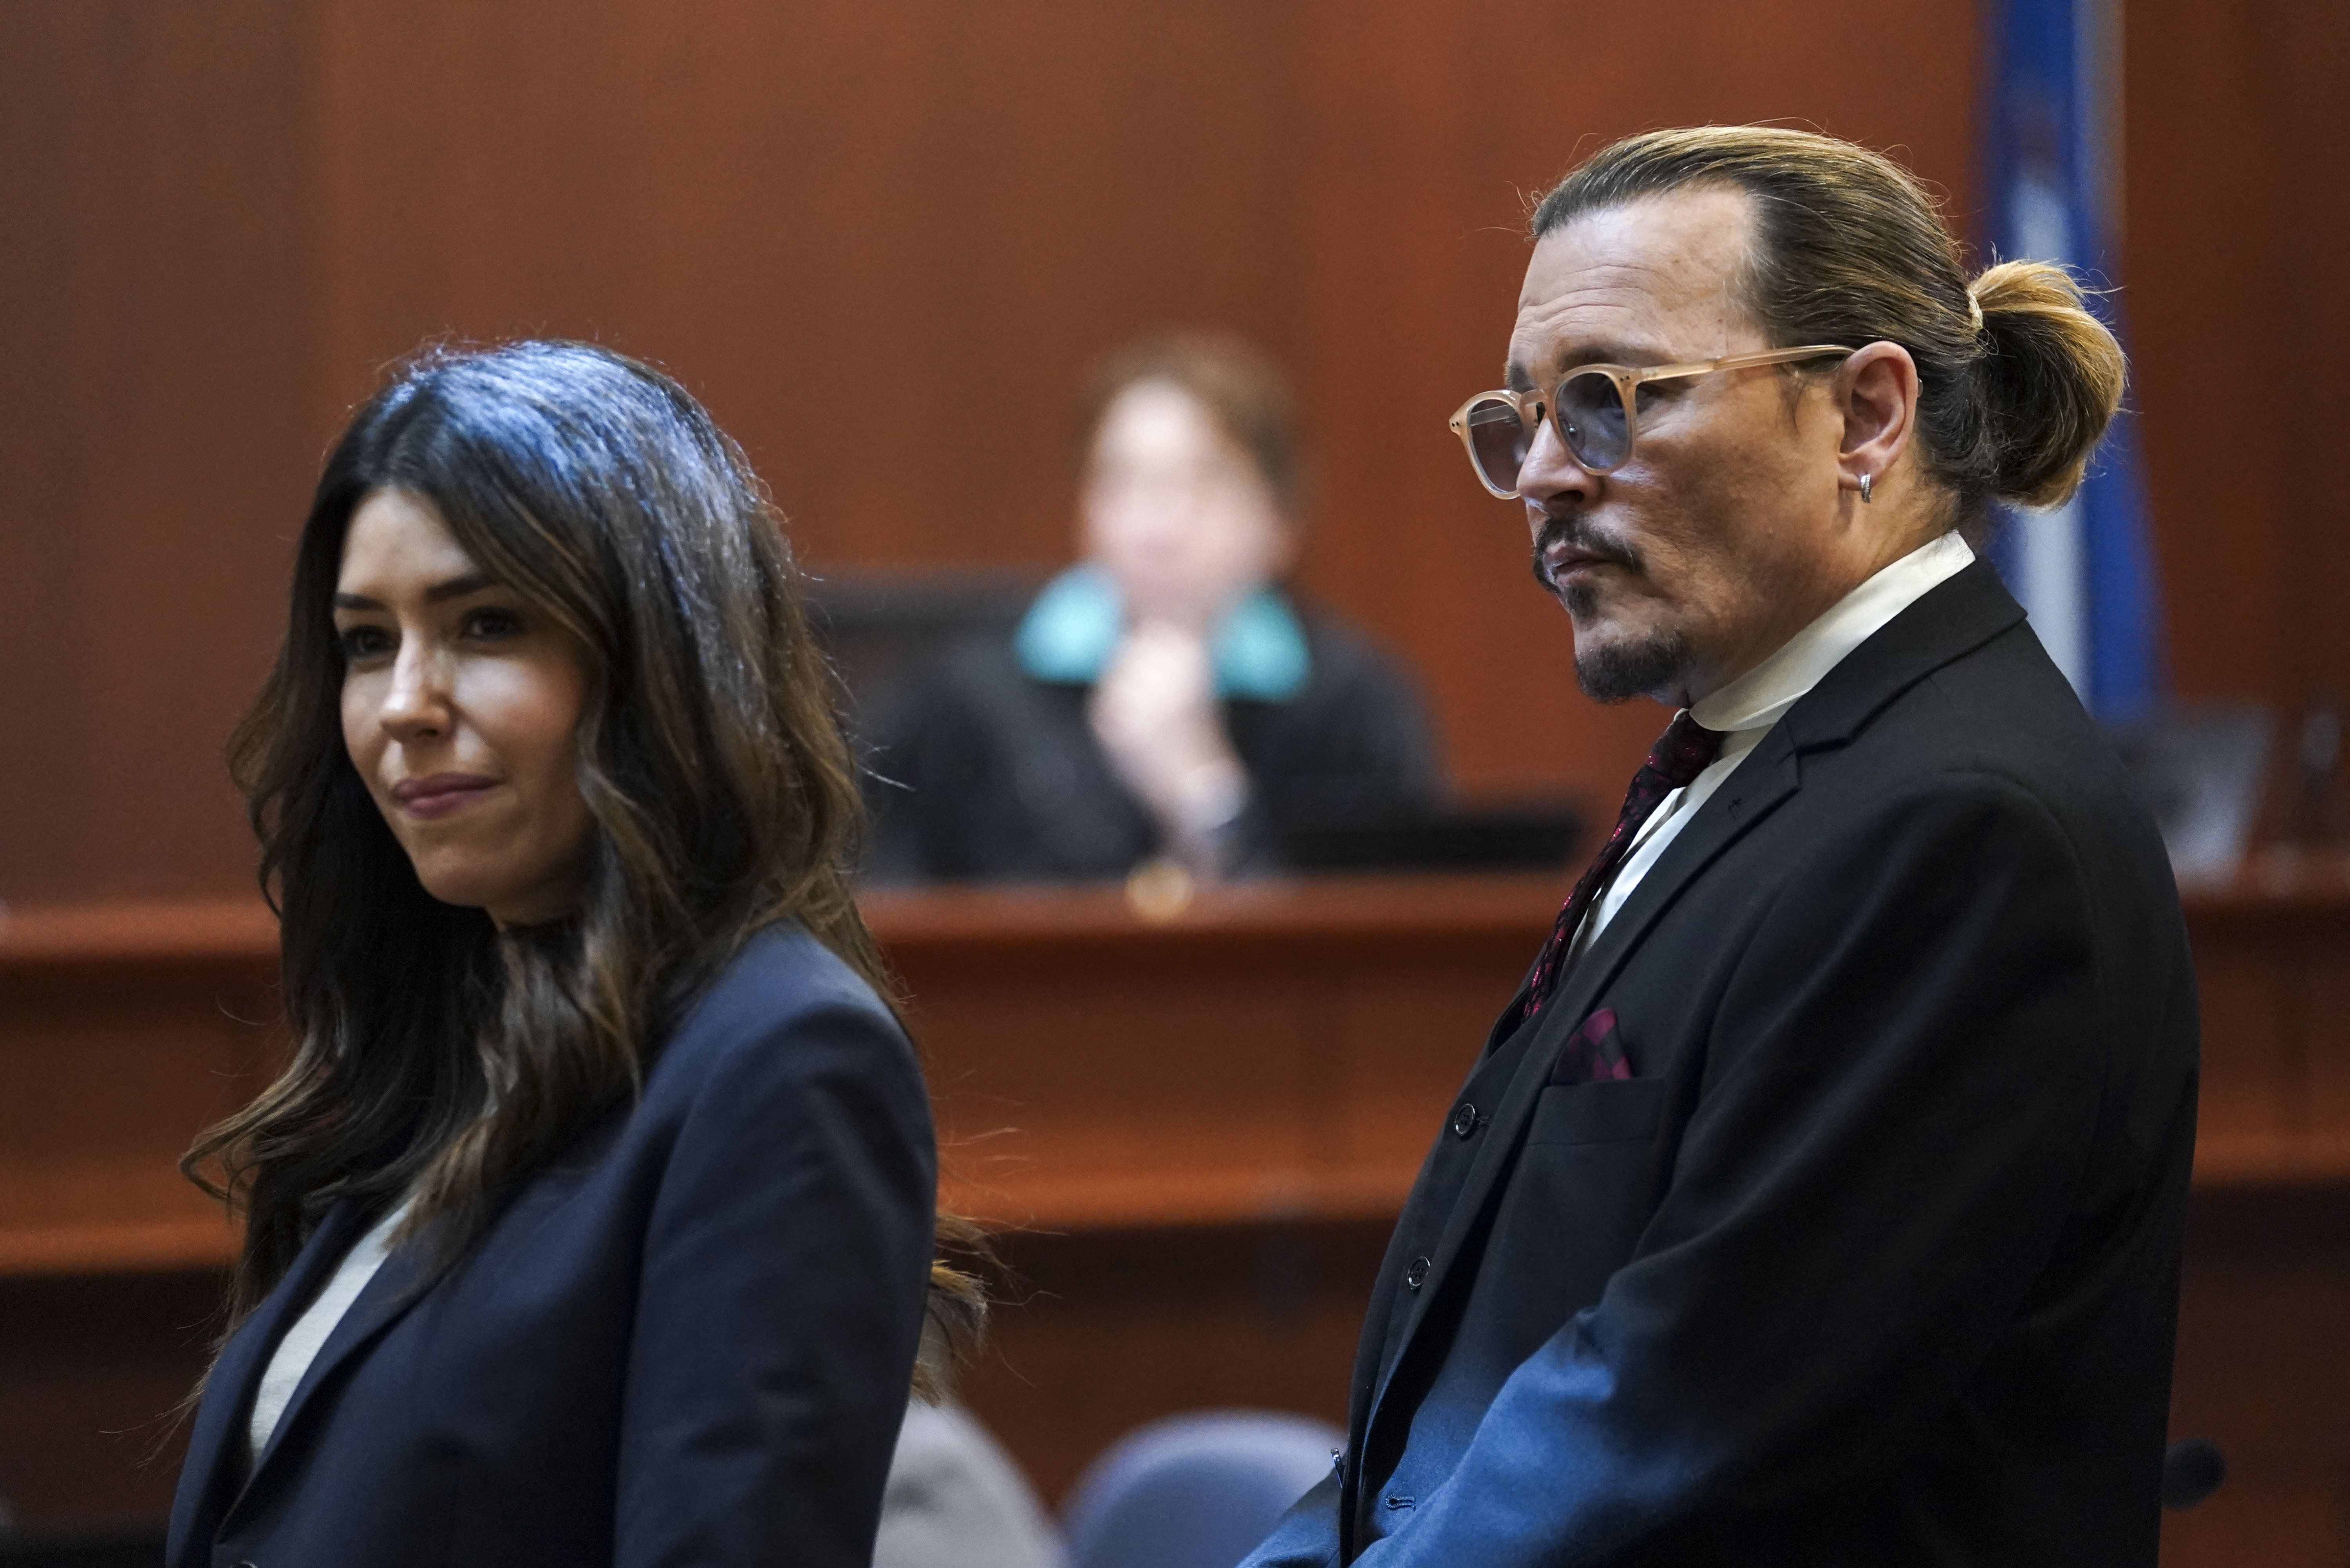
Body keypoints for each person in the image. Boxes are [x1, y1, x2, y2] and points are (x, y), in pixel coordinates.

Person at [1243, 127, 2198, 1566]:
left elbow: (1673, 1420)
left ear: (1866, 416)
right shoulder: (1765, 754)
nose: (1547, 478)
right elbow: (1501, 1361)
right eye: (1525, 422)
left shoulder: (1961, 824)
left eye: (1613, 402)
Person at [167, 341, 960, 1568]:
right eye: (368, 641)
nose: (404, 704)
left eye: (486, 625)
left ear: (659, 666)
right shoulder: (445, 1038)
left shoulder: (784, 1057)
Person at [863, 331, 1438, 883]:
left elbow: (1369, 951)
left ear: (1282, 521)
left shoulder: (1352, 704)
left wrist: (1205, 795)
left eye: (1205, 483)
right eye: (1122, 481)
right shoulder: (963, 695)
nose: (1158, 526)